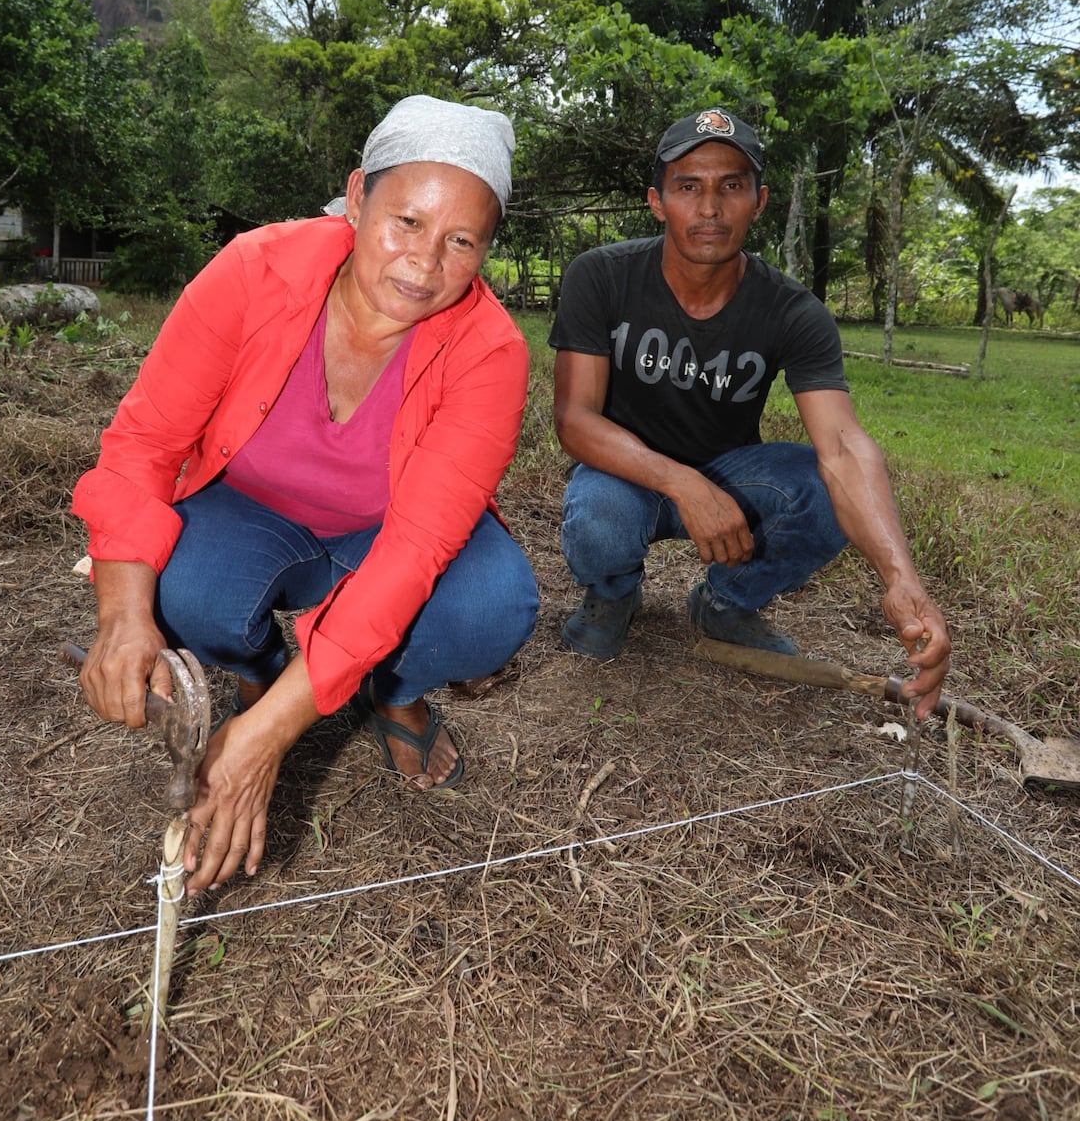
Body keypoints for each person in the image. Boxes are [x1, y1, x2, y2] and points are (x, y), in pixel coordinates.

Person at [73, 95, 539, 893]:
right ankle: (258, 668)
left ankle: (394, 692)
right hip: (251, 514)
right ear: (357, 198)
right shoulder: (257, 270)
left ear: (487, 250)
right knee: (181, 590)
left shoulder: (490, 350)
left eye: (462, 241)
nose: (425, 265)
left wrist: (269, 739)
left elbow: (415, 550)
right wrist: (121, 618)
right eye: (407, 222)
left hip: (382, 534)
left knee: (490, 604)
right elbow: (143, 447)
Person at [549, 108, 950, 714]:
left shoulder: (793, 311)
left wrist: (901, 577)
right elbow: (575, 421)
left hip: (731, 478)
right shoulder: (601, 276)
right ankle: (614, 593)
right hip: (625, 473)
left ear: (758, 201)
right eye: (688, 187)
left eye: (730, 186)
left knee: (822, 484)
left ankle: (727, 603)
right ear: (657, 201)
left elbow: (843, 447)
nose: (709, 208)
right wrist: (680, 482)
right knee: (597, 515)